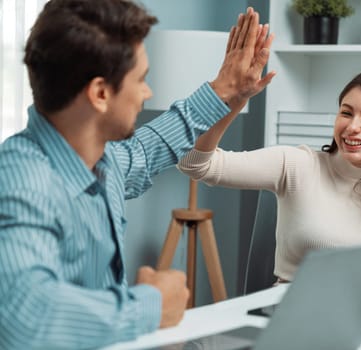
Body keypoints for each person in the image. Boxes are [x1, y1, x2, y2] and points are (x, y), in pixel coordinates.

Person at [0, 0, 274, 349]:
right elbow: (24, 315)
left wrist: (225, 90)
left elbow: (146, 150)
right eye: (142, 79)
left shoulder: (103, 161)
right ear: (100, 93)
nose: (148, 92)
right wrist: (152, 304)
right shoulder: (23, 179)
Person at [179, 69, 361, 282]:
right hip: (293, 310)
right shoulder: (297, 164)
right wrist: (233, 103)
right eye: (346, 113)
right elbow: (194, 164)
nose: (352, 127)